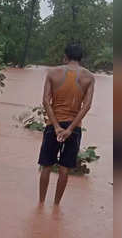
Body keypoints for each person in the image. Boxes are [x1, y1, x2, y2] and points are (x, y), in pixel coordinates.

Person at [38, 44, 95, 205]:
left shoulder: (53, 73)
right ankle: (56, 205)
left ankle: (41, 203)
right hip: (74, 128)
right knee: (64, 169)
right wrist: (70, 129)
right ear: (81, 59)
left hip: (53, 125)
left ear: (65, 57)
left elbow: (45, 101)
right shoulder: (89, 77)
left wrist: (56, 126)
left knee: (46, 166)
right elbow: (87, 106)